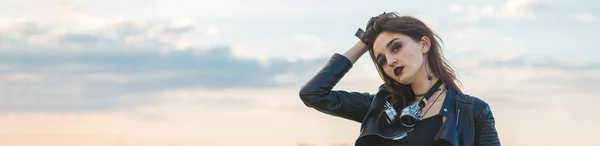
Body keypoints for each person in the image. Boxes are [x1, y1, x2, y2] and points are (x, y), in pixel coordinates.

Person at [298, 12, 500, 146]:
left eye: (396, 47)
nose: (391, 61)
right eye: (382, 60)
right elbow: (313, 94)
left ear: (424, 44)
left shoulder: (472, 112)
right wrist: (364, 43)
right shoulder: (379, 106)